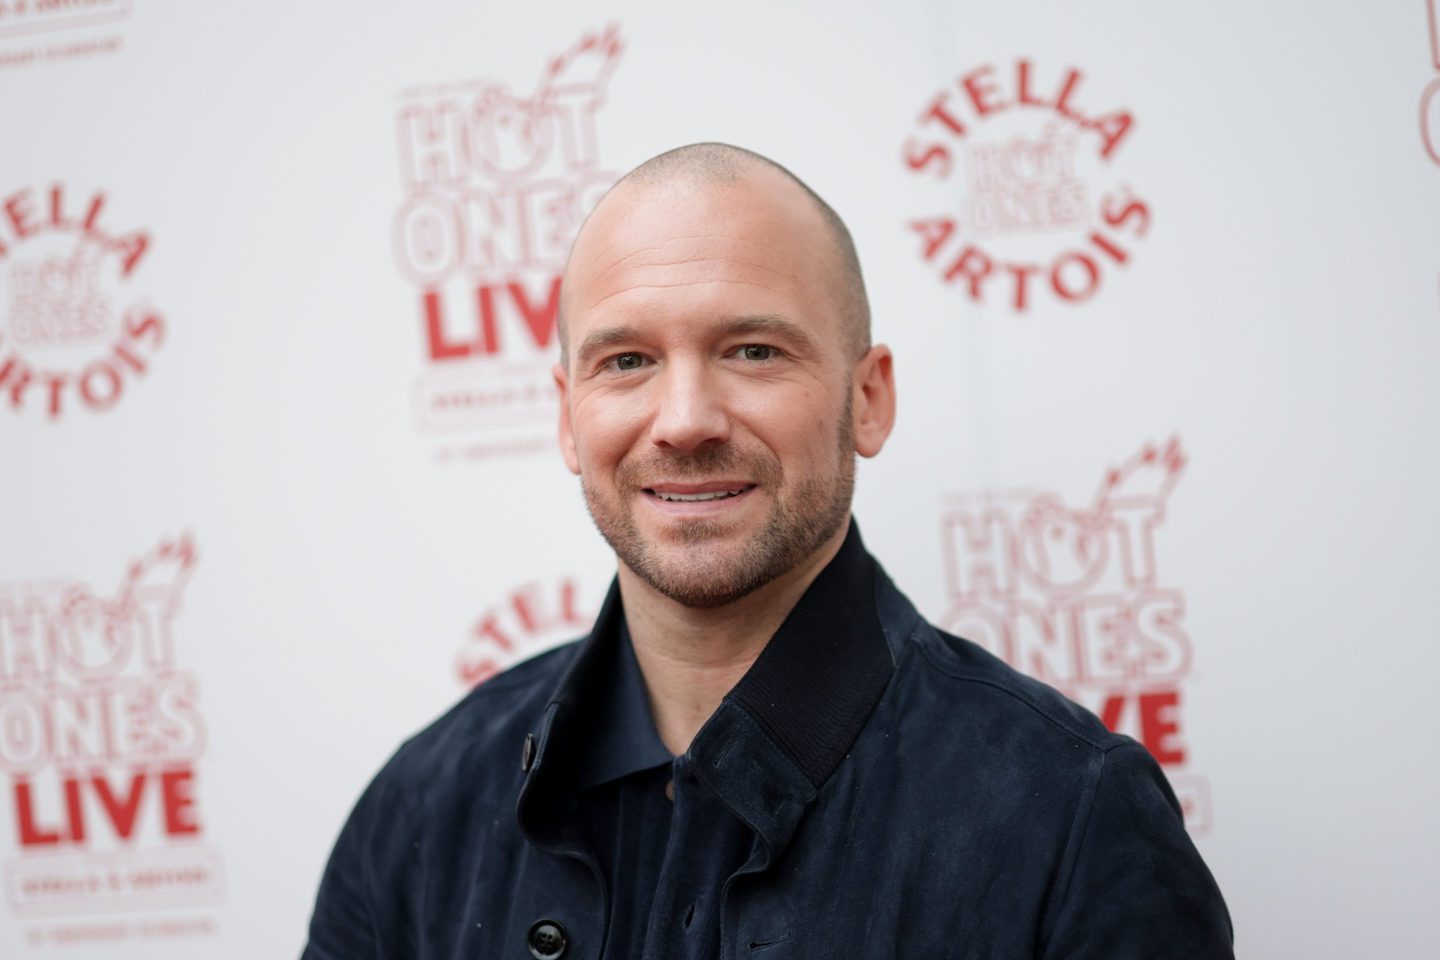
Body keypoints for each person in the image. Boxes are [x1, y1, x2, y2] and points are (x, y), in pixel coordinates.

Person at [302, 143, 1233, 960]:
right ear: (566, 417)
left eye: (751, 351)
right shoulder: (423, 812)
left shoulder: (1069, 815)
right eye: (626, 362)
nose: (685, 422)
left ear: (867, 400)